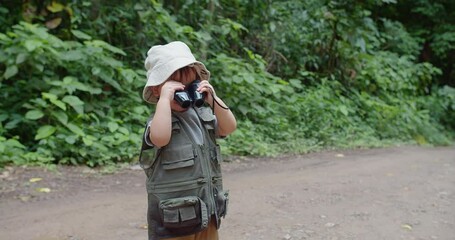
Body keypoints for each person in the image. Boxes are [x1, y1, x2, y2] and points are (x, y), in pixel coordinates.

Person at [139, 41, 237, 240]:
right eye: (177, 89)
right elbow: (160, 137)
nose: (185, 93)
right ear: (157, 90)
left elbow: (229, 127)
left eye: (189, 86)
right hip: (173, 222)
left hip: (206, 215)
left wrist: (213, 100)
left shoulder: (203, 116)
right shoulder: (158, 122)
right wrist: (165, 101)